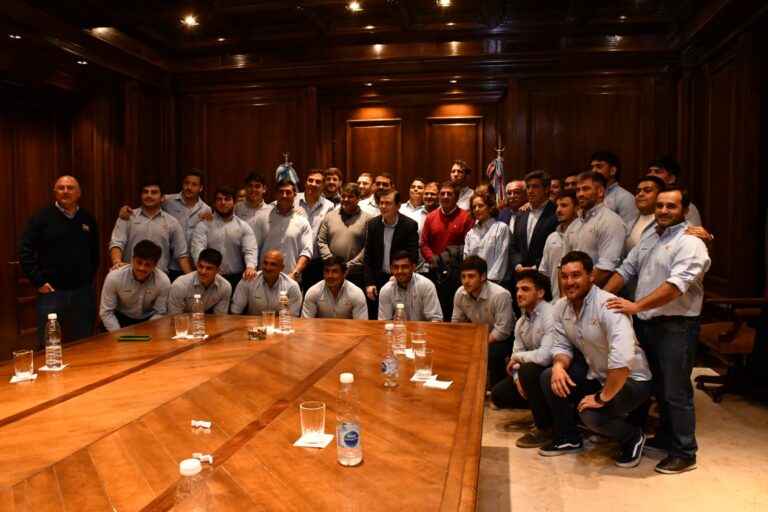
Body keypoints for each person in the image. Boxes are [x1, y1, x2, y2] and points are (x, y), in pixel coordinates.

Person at [604, 187, 711, 474]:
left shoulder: (691, 242)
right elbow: (626, 269)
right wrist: (598, 298)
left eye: (671, 206)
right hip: (647, 324)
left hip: (676, 326)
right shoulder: (651, 235)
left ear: (685, 211)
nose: (664, 210)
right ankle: (666, 436)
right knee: (659, 388)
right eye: (660, 205)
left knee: (676, 391)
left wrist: (636, 306)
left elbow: (676, 287)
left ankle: (685, 451)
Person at [537, 251, 651, 470]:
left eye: (576, 275)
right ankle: (569, 438)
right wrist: (559, 366)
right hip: (598, 375)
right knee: (548, 376)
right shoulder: (561, 307)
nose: (569, 282)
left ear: (591, 276)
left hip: (632, 380)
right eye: (564, 276)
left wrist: (601, 397)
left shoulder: (609, 306)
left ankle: (632, 436)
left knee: (591, 415)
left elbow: (622, 362)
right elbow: (561, 346)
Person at [20, 175, 100, 346]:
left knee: (85, 345)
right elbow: (25, 252)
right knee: (48, 345)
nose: (65, 191)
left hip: (83, 293)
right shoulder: (42, 217)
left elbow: (95, 254)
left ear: (79, 193)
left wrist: (87, 277)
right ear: (54, 192)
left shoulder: (87, 219)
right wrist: (38, 281)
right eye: (61, 188)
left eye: (70, 188)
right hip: (51, 294)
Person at [490, 270, 555, 448]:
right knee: (499, 394)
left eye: (525, 289)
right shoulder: (521, 322)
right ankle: (540, 406)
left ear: (540, 293)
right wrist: (518, 379)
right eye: (518, 289)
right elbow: (516, 353)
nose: (519, 293)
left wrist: (518, 360)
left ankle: (546, 429)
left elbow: (544, 357)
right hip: (530, 374)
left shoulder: (551, 314)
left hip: (553, 372)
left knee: (529, 370)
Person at [451, 255, 515, 388]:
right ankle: (463, 386)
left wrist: (478, 342)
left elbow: (503, 331)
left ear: (483, 276)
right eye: (463, 276)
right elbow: (457, 323)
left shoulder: (500, 295)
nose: (466, 281)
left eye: (471, 276)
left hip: (506, 337)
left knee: (492, 352)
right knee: (454, 345)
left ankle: (498, 389)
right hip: (479, 335)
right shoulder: (459, 293)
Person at [108, 178, 192, 275]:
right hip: (128, 277)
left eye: (154, 192)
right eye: (145, 192)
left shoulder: (172, 222)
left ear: (162, 197)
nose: (149, 196)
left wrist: (191, 280)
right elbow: (116, 244)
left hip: (159, 280)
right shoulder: (127, 217)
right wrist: (117, 262)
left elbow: (181, 255)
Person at [421, 181, 475, 321]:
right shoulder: (431, 217)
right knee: (436, 313)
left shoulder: (466, 217)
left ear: (456, 197)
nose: (445, 196)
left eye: (449, 194)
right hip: (435, 272)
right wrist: (434, 260)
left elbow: (469, 245)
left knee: (455, 314)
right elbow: (424, 243)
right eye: (442, 193)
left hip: (457, 275)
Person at [562, 171, 626, 287]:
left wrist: (579, 291)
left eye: (586, 189)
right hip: (573, 293)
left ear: (601, 191)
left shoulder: (611, 221)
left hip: (598, 296)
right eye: (578, 190)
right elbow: (562, 264)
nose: (580, 194)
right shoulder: (574, 224)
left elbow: (606, 266)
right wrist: (567, 296)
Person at [363, 190, 419, 319]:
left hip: (400, 278)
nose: (383, 206)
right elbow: (368, 255)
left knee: (400, 316)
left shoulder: (409, 225)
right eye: (381, 203)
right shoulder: (373, 224)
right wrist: (369, 283)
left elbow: (412, 254)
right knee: (377, 319)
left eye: (387, 203)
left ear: (398, 205)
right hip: (377, 280)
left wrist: (398, 274)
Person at [190, 186, 258, 292]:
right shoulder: (203, 225)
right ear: (214, 203)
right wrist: (204, 271)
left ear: (235, 202)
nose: (223, 202)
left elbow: (250, 250)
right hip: (209, 277)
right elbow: (197, 250)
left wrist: (250, 267)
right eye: (219, 199)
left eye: (227, 199)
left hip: (236, 279)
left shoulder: (244, 226)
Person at [249, 179, 313, 283]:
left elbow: (307, 252)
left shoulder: (302, 221)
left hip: (291, 280)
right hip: (263, 279)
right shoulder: (262, 218)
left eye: (288, 192)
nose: (284, 195)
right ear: (275, 194)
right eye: (281, 192)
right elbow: (253, 247)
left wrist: (295, 274)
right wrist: (252, 268)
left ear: (295, 195)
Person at [99, 240, 171, 331]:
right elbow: (106, 312)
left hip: (148, 321)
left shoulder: (163, 281)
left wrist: (145, 330)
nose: (142, 268)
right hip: (119, 319)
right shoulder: (114, 277)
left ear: (155, 265)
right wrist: (118, 335)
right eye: (139, 262)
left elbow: (160, 312)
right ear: (132, 259)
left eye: (147, 264)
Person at [317, 183, 372, 291]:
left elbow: (368, 247)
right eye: (343, 196)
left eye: (350, 196)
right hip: (331, 273)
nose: (345, 199)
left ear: (358, 198)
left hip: (356, 274)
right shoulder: (329, 216)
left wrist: (348, 266)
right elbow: (321, 241)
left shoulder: (368, 219)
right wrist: (333, 264)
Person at [509, 170, 558, 274]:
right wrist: (518, 265)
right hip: (521, 274)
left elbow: (556, 248)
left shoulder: (556, 212)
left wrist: (536, 267)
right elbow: (514, 245)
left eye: (535, 187)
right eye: (528, 187)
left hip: (545, 274)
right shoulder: (521, 213)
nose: (530, 191)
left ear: (547, 189)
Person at [295, 169, 335, 290]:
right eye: (310, 180)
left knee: (311, 300)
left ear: (323, 186)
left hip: (315, 263)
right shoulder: (293, 199)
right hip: (294, 259)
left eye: (317, 182)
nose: (313, 184)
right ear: (305, 183)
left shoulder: (329, 206)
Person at [230, 249, 302, 316]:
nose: (267, 268)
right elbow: (235, 313)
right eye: (265, 263)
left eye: (273, 264)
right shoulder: (248, 281)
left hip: (280, 328)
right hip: (252, 327)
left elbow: (292, 318)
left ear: (282, 268)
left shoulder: (292, 286)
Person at [378, 250, 443, 322]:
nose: (400, 271)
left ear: (413, 267)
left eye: (405, 267)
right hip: (398, 332)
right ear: (391, 269)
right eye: (396, 267)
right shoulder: (386, 290)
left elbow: (436, 320)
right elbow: (384, 322)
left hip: (423, 332)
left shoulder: (426, 285)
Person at [538, 189, 579, 300]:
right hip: (554, 302)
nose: (558, 210)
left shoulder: (583, 235)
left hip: (578, 301)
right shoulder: (552, 237)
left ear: (577, 208)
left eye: (564, 206)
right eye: (558, 206)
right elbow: (544, 272)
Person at [463, 193, 511, 285]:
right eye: (474, 207)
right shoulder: (471, 233)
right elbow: (467, 260)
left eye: (480, 206)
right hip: (474, 284)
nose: (477, 209)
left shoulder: (501, 228)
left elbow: (501, 258)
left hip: (495, 284)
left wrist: (488, 283)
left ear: (490, 207)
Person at [167, 248, 231, 316]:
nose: (203, 271)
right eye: (201, 266)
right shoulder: (180, 285)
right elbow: (174, 319)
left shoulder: (225, 287)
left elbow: (219, 319)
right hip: (180, 323)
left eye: (209, 268)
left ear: (218, 270)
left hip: (202, 322)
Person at [301, 256, 368, 320]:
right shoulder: (313, 291)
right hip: (322, 331)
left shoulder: (356, 293)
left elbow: (361, 326)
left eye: (334, 271)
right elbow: (305, 323)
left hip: (348, 331)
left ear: (344, 274)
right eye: (327, 271)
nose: (329, 276)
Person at [647, 156, 703, 226]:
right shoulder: (645, 204)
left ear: (671, 179)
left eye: (657, 172)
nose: (651, 175)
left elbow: (694, 232)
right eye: (649, 172)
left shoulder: (685, 204)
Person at [590, 151, 638, 229]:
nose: (593, 171)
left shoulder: (625, 198)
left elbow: (627, 231)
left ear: (612, 170)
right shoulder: (591, 195)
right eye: (592, 167)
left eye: (599, 166)